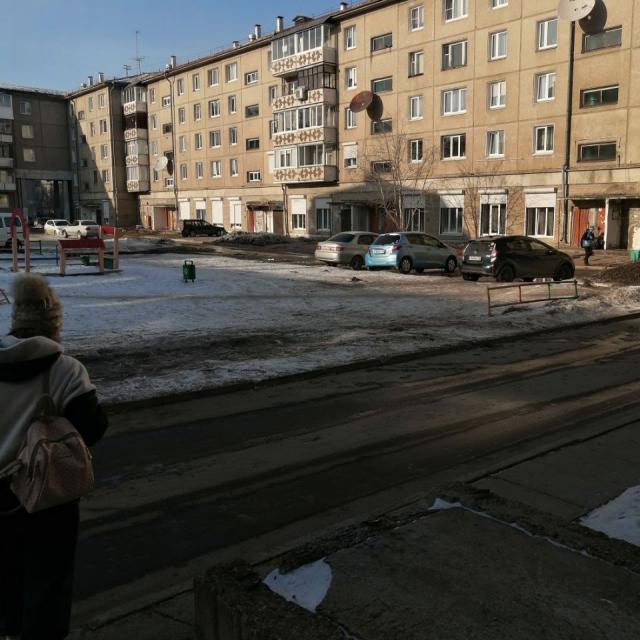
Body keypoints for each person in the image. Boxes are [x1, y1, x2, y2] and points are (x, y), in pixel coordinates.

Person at [0, 273, 108, 640]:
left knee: (7, 579)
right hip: (49, 496)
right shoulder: (66, 370)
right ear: (54, 325)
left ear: (15, 320)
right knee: (48, 582)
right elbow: (93, 428)